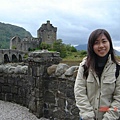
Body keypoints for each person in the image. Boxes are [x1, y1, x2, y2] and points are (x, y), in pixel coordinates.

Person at [74, 29, 120, 120]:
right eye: (96, 43)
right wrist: (88, 115)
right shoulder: (84, 67)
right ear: (91, 46)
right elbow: (79, 92)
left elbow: (118, 98)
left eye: (104, 41)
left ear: (109, 43)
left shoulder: (117, 69)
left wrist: (109, 117)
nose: (101, 46)